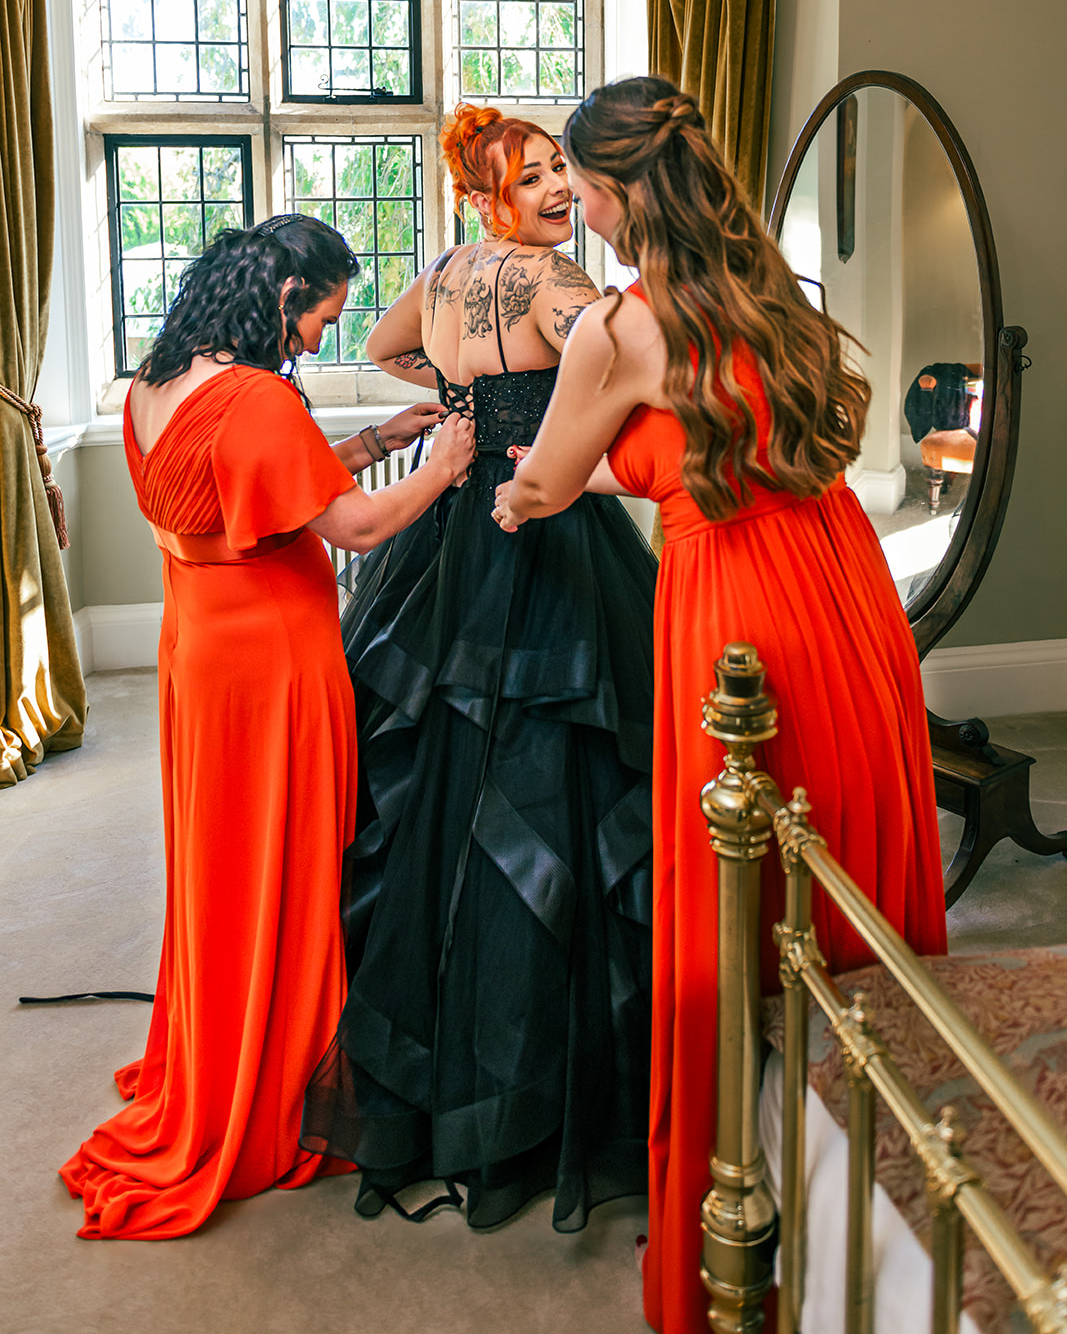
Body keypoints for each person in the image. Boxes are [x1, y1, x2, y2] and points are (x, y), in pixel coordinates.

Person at [493, 78, 949, 1334]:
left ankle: (734, 1199)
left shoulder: (620, 327)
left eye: (580, 184)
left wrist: (514, 501)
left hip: (734, 609)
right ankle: (870, 1166)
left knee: (731, 890)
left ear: (619, 187)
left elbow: (551, 476)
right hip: (845, 596)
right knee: (833, 856)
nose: (571, 205)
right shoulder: (774, 298)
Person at [60, 214, 474, 1240]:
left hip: (198, 649)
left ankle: (225, 1030)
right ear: (283, 298)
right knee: (289, 865)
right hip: (273, 664)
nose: (322, 342)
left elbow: (255, 495)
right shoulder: (253, 397)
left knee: (225, 865)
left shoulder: (160, 380)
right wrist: (449, 460)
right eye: (320, 320)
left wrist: (378, 439)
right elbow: (357, 526)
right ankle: (279, 1074)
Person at [300, 107, 659, 1233]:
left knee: (442, 789)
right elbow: (641, 366)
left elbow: (381, 348)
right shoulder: (559, 289)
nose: (558, 191)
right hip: (546, 534)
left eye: (562, 172)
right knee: (557, 779)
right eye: (535, 176)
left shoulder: (446, 270)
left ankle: (436, 1064)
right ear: (488, 193)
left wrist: (455, 397)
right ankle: (535, 1084)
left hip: (448, 531)